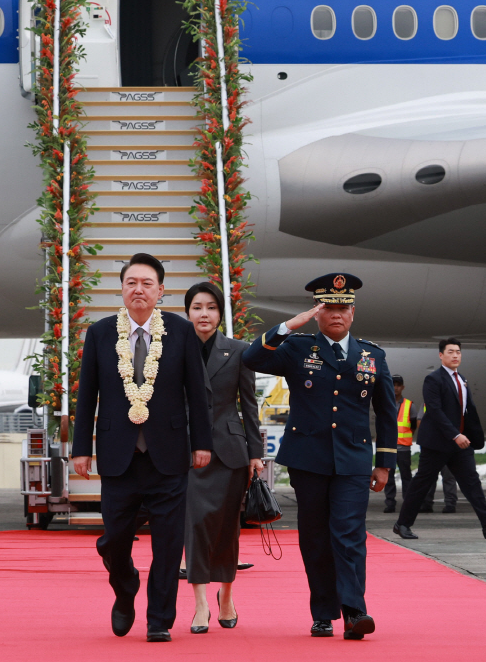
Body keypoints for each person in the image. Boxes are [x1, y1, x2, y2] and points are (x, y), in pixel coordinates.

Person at [243, 272, 399, 640]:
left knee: (349, 534)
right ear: (317, 311)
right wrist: (288, 325)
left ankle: (355, 610)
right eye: (329, 307)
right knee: (314, 538)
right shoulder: (297, 348)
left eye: (344, 308)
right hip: (308, 460)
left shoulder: (371, 355)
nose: (337, 314)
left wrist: (384, 463)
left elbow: (387, 413)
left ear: (353, 313)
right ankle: (323, 612)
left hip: (354, 462)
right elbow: (251, 358)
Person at [70, 253, 212, 643]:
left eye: (147, 283)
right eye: (132, 282)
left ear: (161, 291)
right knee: (114, 539)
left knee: (168, 545)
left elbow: (197, 395)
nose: (139, 289)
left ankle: (159, 619)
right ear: (122, 289)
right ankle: (124, 586)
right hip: (119, 456)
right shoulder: (99, 333)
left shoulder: (181, 333)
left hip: (168, 456)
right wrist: (81, 448)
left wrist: (202, 443)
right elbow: (87, 396)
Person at [181, 282, 263, 634]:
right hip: (186, 452)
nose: (204, 314)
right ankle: (200, 604)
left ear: (220, 313)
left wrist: (256, 454)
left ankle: (226, 595)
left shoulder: (240, 351)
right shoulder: (173, 350)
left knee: (228, 529)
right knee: (195, 526)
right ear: (187, 312)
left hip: (230, 453)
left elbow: (249, 405)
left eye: (211, 307)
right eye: (197, 307)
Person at [393, 338, 486, 542]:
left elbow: (468, 411)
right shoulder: (433, 379)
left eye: (458, 352)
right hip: (437, 443)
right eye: (450, 352)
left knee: (471, 482)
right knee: (422, 484)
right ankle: (402, 524)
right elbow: (435, 411)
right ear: (441, 355)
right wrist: (455, 434)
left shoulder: (462, 379)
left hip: (460, 444)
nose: (455, 355)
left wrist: (471, 435)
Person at [381, 375, 417, 514]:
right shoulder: (384, 403)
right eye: (393, 384)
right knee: (388, 478)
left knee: (406, 477)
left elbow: (413, 425)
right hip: (388, 447)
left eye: (398, 385)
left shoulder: (409, 405)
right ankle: (390, 503)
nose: (395, 388)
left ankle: (407, 504)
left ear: (402, 387)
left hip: (403, 448)